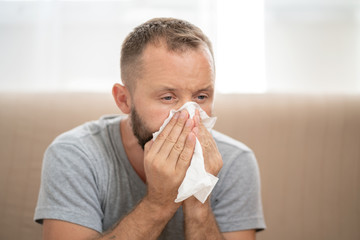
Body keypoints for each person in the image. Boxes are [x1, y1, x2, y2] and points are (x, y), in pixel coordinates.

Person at [34, 17, 266, 240]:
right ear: (124, 99)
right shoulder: (74, 154)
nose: (189, 116)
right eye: (167, 97)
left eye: (201, 96)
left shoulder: (235, 161)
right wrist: (159, 203)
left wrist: (198, 200)